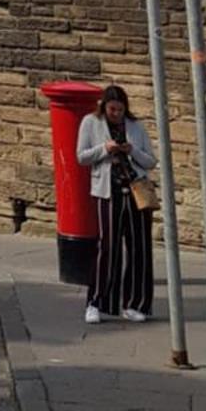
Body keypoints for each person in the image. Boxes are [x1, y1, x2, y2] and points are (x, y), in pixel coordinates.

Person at [76, 83, 157, 324]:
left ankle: (135, 304)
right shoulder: (91, 123)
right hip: (107, 191)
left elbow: (150, 161)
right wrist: (104, 148)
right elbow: (81, 156)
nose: (116, 114)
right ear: (104, 107)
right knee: (108, 248)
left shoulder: (136, 127)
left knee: (140, 249)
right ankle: (96, 302)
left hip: (135, 191)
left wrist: (132, 151)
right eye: (112, 109)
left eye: (120, 110)